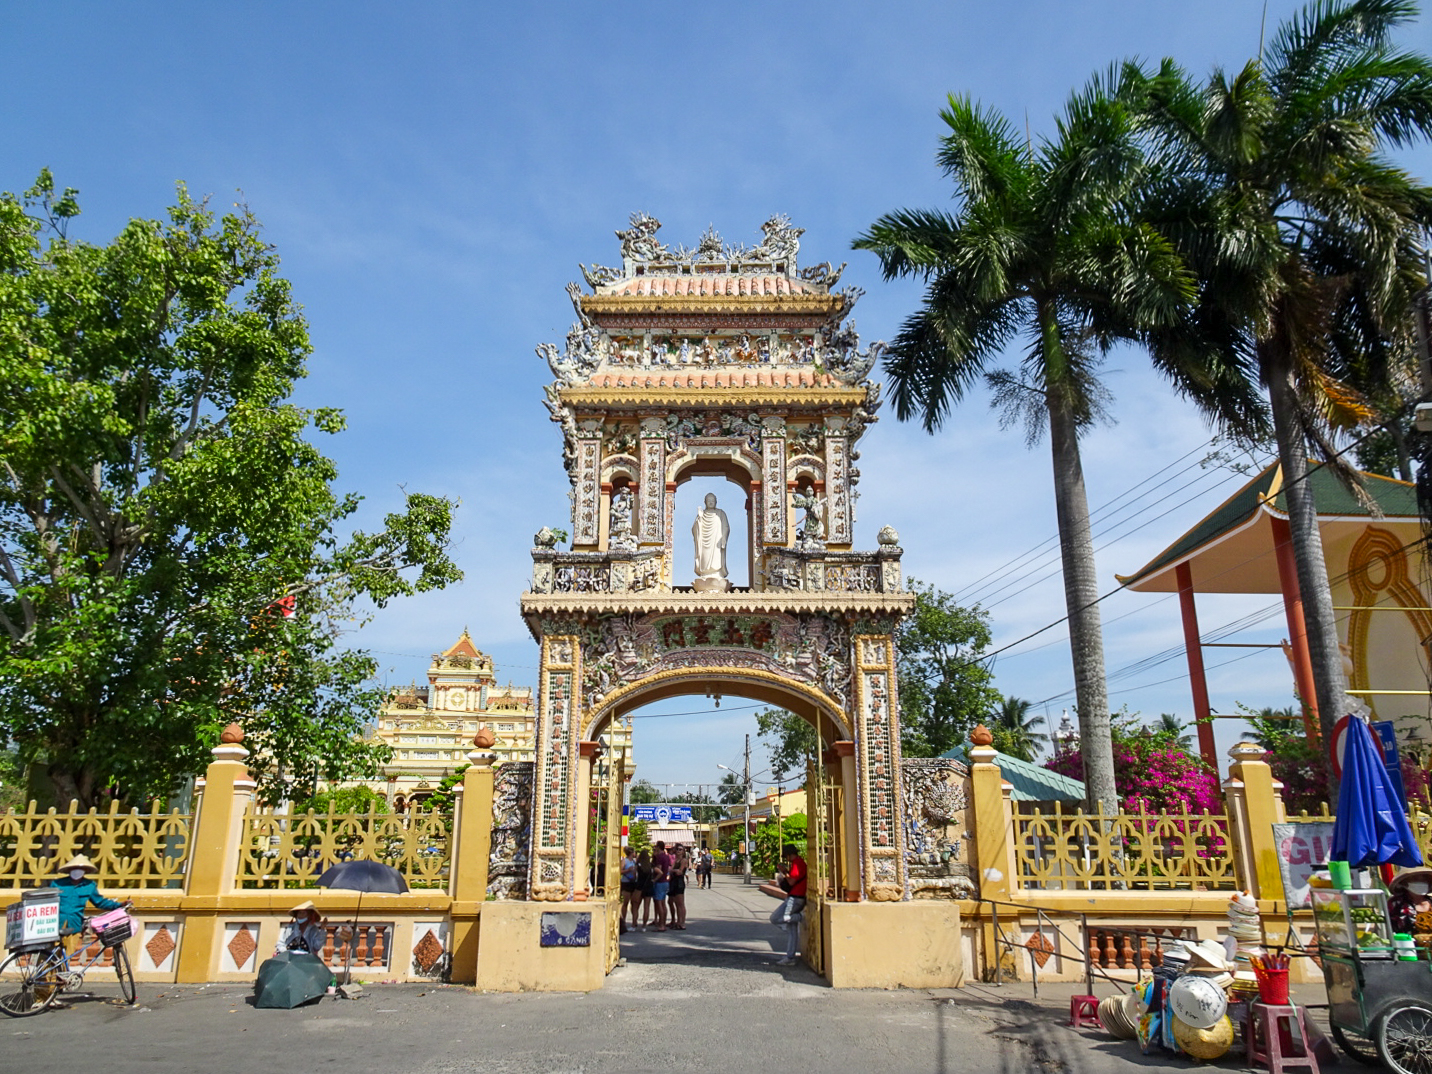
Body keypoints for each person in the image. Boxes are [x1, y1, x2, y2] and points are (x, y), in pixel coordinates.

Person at [771, 844, 807, 966]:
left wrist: (784, 873)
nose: (786, 859)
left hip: (795, 897)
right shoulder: (799, 863)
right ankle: (790, 957)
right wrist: (786, 871)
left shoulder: (797, 863)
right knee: (792, 930)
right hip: (798, 896)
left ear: (790, 854)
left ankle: (801, 917)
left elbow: (792, 881)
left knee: (776, 918)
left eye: (786, 856)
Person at [651, 840, 672, 932]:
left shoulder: (660, 857)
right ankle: (662, 922)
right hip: (665, 882)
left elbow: (659, 870)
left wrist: (654, 879)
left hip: (659, 881)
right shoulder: (666, 857)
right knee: (663, 903)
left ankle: (661, 925)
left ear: (658, 847)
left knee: (659, 903)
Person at [619, 846, 639, 934]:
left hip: (633, 882)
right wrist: (628, 870)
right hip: (626, 882)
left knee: (634, 903)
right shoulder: (624, 861)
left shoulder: (634, 862)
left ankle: (634, 922)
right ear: (631, 853)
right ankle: (623, 921)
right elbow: (620, 871)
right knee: (625, 903)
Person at [668, 847, 688, 930]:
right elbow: (671, 869)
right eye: (677, 849)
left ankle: (682, 922)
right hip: (673, 881)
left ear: (683, 852)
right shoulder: (675, 860)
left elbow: (680, 871)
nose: (678, 851)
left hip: (679, 882)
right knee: (675, 903)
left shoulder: (683, 860)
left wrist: (672, 870)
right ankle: (678, 921)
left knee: (680, 904)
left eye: (680, 850)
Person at [635, 849, 654, 931]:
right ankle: (644, 926)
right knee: (646, 907)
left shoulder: (638, 866)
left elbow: (634, 875)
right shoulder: (650, 866)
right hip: (648, 887)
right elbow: (660, 872)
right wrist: (654, 880)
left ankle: (634, 923)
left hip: (640, 886)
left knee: (636, 906)